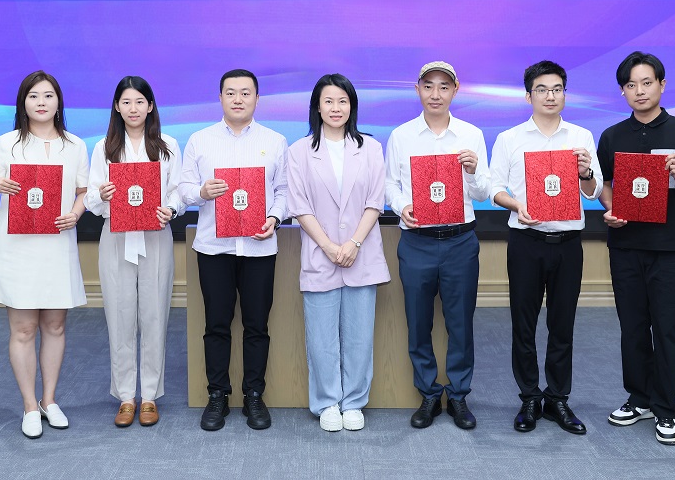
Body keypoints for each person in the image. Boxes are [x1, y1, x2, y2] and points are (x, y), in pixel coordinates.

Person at [597, 51, 675, 446]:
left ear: (662, 85)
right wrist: (611, 209)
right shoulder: (612, 136)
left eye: (647, 82)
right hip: (626, 246)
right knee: (632, 327)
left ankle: (666, 407)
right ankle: (639, 399)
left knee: (667, 329)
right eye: (631, 85)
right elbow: (606, 187)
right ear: (623, 91)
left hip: (670, 249)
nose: (640, 91)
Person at [489, 60, 603, 435]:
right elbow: (494, 187)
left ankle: (557, 398)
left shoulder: (581, 136)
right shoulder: (510, 139)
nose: (550, 95)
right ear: (529, 96)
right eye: (542, 89)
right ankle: (528, 398)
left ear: (565, 94)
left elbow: (593, 191)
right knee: (524, 324)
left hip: (568, 244)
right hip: (526, 241)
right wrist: (515, 204)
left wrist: (586, 173)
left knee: (562, 324)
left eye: (557, 89)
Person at [0, 71, 89, 439]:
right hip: (18, 248)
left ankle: (49, 400)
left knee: (55, 326)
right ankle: (28, 405)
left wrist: (76, 213)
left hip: (56, 244)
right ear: (22, 102)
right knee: (23, 329)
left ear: (59, 102)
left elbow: (83, 191)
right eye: (33, 96)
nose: (41, 102)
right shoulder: (7, 143)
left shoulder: (75, 145)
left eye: (48, 96)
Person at [178, 69, 288, 431]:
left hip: (259, 248)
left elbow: (284, 191)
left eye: (245, 92)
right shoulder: (200, 140)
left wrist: (274, 216)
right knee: (216, 324)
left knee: (257, 325)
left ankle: (254, 395)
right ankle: (217, 396)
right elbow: (183, 189)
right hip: (214, 248)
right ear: (220, 98)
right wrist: (201, 193)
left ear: (257, 98)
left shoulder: (275, 141)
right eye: (230, 92)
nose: (238, 99)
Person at [385, 61, 491, 430]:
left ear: (455, 90)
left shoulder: (471, 134)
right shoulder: (401, 136)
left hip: (460, 241)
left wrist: (473, 171)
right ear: (417, 89)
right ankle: (429, 393)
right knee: (418, 323)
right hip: (417, 241)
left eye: (444, 87)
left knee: (460, 323)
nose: (435, 94)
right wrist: (402, 205)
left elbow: (483, 192)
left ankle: (458, 395)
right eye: (428, 86)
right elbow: (390, 184)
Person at [287, 74, 390, 432]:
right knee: (321, 338)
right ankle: (327, 401)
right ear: (317, 106)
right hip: (321, 254)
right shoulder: (299, 151)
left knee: (360, 336)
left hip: (362, 253)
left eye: (342, 101)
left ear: (352, 106)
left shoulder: (371, 148)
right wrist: (330, 246)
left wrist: (354, 243)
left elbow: (375, 201)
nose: (335, 108)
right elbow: (299, 206)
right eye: (328, 101)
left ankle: (354, 402)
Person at [85, 76, 184, 428]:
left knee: (154, 315)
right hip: (117, 235)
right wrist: (103, 196)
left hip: (155, 235)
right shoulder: (104, 147)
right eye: (126, 102)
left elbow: (177, 190)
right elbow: (91, 198)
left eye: (140, 102)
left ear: (150, 105)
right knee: (120, 314)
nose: (133, 108)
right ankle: (126, 396)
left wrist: (170, 208)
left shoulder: (168, 145)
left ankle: (150, 395)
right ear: (116, 107)